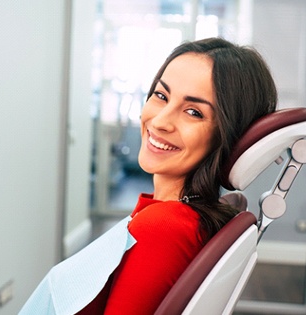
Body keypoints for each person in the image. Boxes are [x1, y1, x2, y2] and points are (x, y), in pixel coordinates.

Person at [19, 37, 277, 315]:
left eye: (193, 112)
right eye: (161, 96)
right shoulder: (173, 216)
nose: (160, 121)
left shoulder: (164, 228)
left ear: (230, 135)